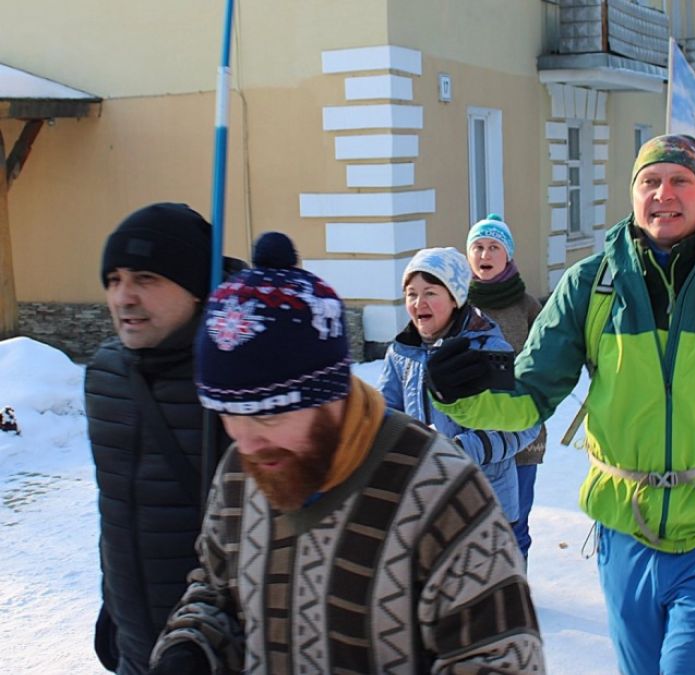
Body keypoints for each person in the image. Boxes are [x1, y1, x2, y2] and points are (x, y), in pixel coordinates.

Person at [426, 134, 695, 673]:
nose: (664, 192)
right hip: (625, 525)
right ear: (633, 195)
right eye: (650, 181)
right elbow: (528, 399)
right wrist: (465, 395)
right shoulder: (590, 284)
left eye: (680, 180)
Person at [147, 239, 542, 673]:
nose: (247, 443)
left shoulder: (442, 494)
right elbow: (218, 587)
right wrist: (191, 646)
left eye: (270, 414)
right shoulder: (242, 470)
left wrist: (451, 448)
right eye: (229, 414)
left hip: (491, 484)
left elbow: (498, 656)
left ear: (327, 396)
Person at [86, 203, 238, 674]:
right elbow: (116, 510)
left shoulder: (239, 380)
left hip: (219, 653)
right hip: (135, 646)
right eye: (114, 279)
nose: (124, 297)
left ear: (197, 289)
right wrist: (113, 609)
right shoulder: (104, 376)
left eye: (146, 278)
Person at [376, 246, 538, 536]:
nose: (418, 302)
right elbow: (384, 417)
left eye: (430, 293)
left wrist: (460, 449)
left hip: (486, 504)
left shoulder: (489, 349)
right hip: (424, 504)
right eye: (411, 294)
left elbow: (525, 426)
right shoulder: (401, 353)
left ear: (455, 298)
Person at [465, 215, 546, 560]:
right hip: (471, 434)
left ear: (507, 255)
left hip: (519, 435)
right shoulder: (457, 303)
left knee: (516, 521)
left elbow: (546, 360)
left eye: (494, 247)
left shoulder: (527, 305)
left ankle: (516, 591)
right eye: (478, 247)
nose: (485, 253)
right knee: (472, 520)